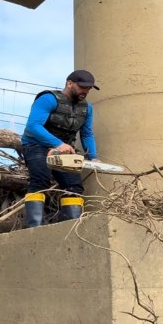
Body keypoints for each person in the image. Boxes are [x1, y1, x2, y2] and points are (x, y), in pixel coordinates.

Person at [21, 69, 100, 227]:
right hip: (36, 144)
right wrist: (57, 144)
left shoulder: (87, 108)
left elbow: (86, 134)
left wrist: (93, 156)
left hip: (65, 149)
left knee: (74, 186)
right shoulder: (48, 99)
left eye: (89, 88)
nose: (86, 91)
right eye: (82, 86)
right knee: (40, 180)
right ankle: (33, 227)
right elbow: (33, 126)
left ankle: (70, 227)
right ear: (69, 83)